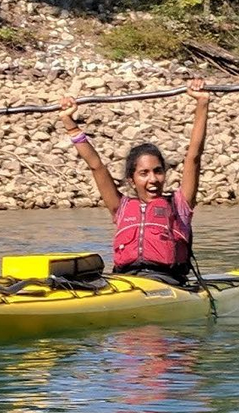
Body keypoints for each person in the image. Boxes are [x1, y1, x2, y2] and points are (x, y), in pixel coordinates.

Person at [59, 81, 209, 285]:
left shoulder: (180, 204)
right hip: (123, 282)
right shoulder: (120, 207)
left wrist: (202, 103)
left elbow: (193, 156)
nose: (153, 179)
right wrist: (69, 123)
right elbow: (96, 166)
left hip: (166, 282)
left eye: (158, 171)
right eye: (144, 173)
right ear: (132, 179)